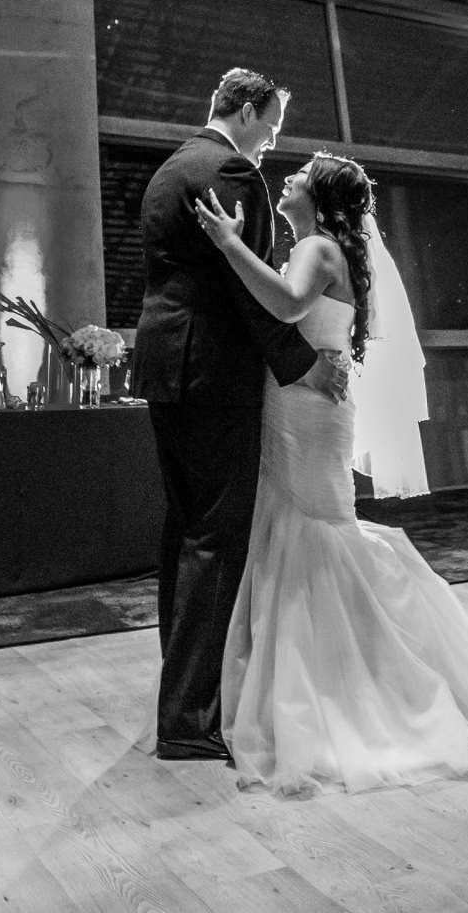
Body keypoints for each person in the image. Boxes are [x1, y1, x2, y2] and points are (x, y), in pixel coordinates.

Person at [190, 151, 468, 794]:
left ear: (317, 198)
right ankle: (336, 670)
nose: (286, 180)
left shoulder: (316, 249)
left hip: (306, 407)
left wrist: (230, 244)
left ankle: (359, 678)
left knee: (321, 529)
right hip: (307, 401)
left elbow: (288, 306)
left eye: (297, 178)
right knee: (311, 524)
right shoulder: (324, 247)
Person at [131, 68, 324, 763]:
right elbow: (248, 291)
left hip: (166, 367)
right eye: (270, 125)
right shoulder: (232, 171)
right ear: (244, 111)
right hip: (214, 373)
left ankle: (181, 695)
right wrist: (302, 363)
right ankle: (188, 718)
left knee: (184, 532)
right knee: (216, 539)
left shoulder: (171, 168)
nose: (271, 143)